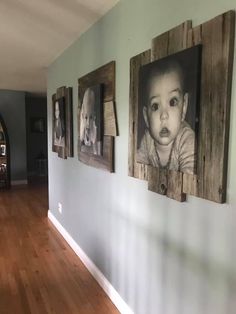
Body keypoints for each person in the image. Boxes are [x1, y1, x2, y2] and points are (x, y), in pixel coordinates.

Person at [137, 59, 196, 174]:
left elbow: (190, 181)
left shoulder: (186, 140)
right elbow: (138, 170)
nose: (164, 115)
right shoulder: (147, 140)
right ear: (146, 117)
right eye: (155, 106)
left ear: (184, 107)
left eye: (172, 102)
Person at [80, 87, 101, 155]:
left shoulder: (97, 138)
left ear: (94, 116)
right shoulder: (81, 137)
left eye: (91, 117)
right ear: (82, 116)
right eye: (86, 117)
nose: (88, 123)